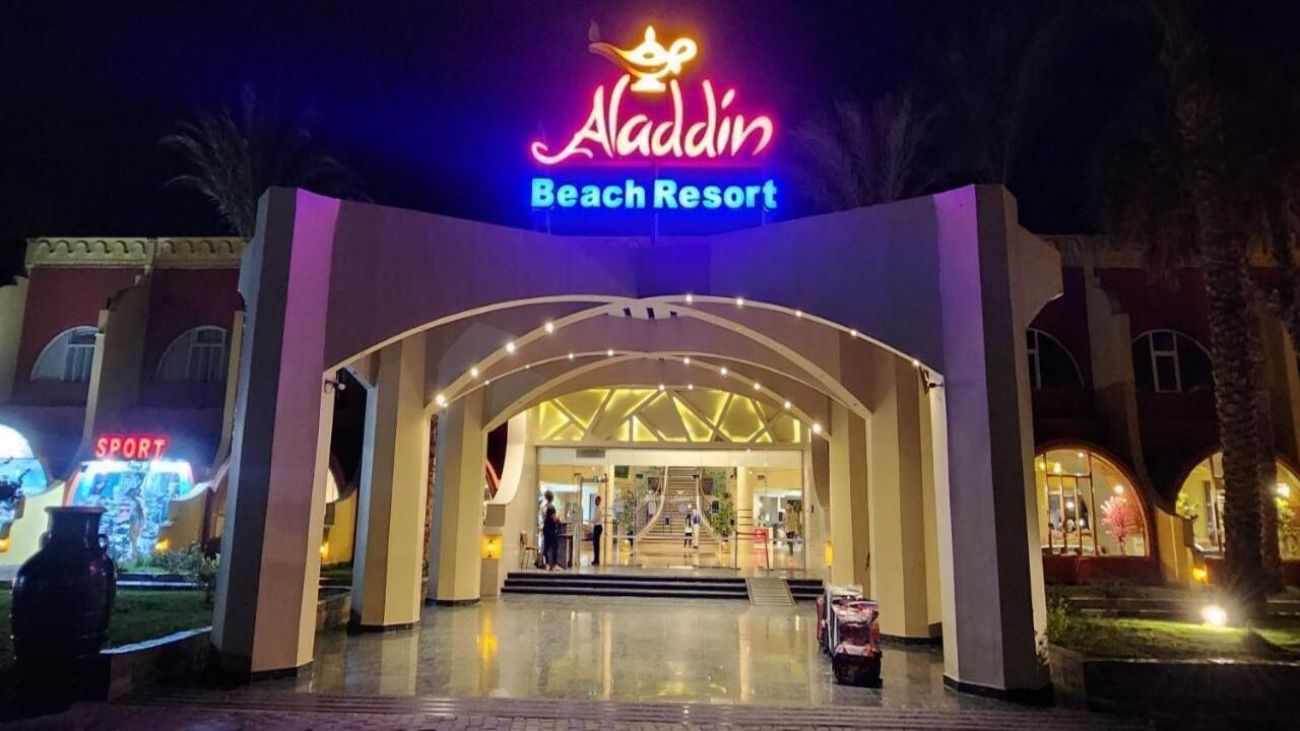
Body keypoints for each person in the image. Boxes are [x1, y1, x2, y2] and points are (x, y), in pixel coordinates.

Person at [543, 504, 561, 570]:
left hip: (548, 535)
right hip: (551, 535)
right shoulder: (551, 519)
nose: (554, 515)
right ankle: (553, 565)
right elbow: (557, 521)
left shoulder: (547, 519)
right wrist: (558, 519)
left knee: (547, 549)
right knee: (553, 549)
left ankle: (548, 564)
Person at [592, 494, 604, 566]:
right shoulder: (596, 508)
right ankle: (596, 559)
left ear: (599, 501)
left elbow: (595, 519)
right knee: (595, 544)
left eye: (597, 500)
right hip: (596, 526)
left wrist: (590, 521)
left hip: (598, 527)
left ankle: (596, 560)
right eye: (595, 500)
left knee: (596, 544)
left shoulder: (599, 509)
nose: (596, 502)